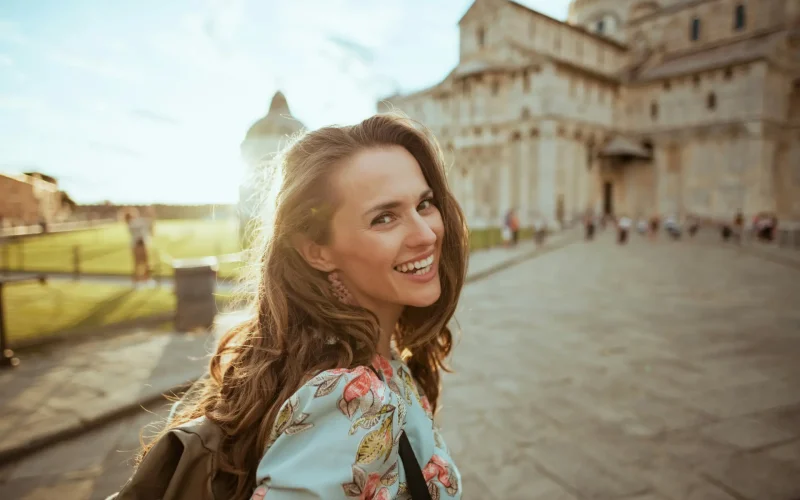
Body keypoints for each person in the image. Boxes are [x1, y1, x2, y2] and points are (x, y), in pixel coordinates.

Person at [112, 114, 468, 500]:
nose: (425, 233)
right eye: (384, 217)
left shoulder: (323, 354)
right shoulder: (350, 400)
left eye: (425, 204)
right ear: (317, 250)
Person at [124, 209, 152, 284]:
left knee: (141, 263)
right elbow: (146, 222)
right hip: (138, 245)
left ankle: (141, 279)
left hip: (139, 245)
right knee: (141, 263)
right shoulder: (132, 223)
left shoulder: (133, 222)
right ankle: (141, 279)